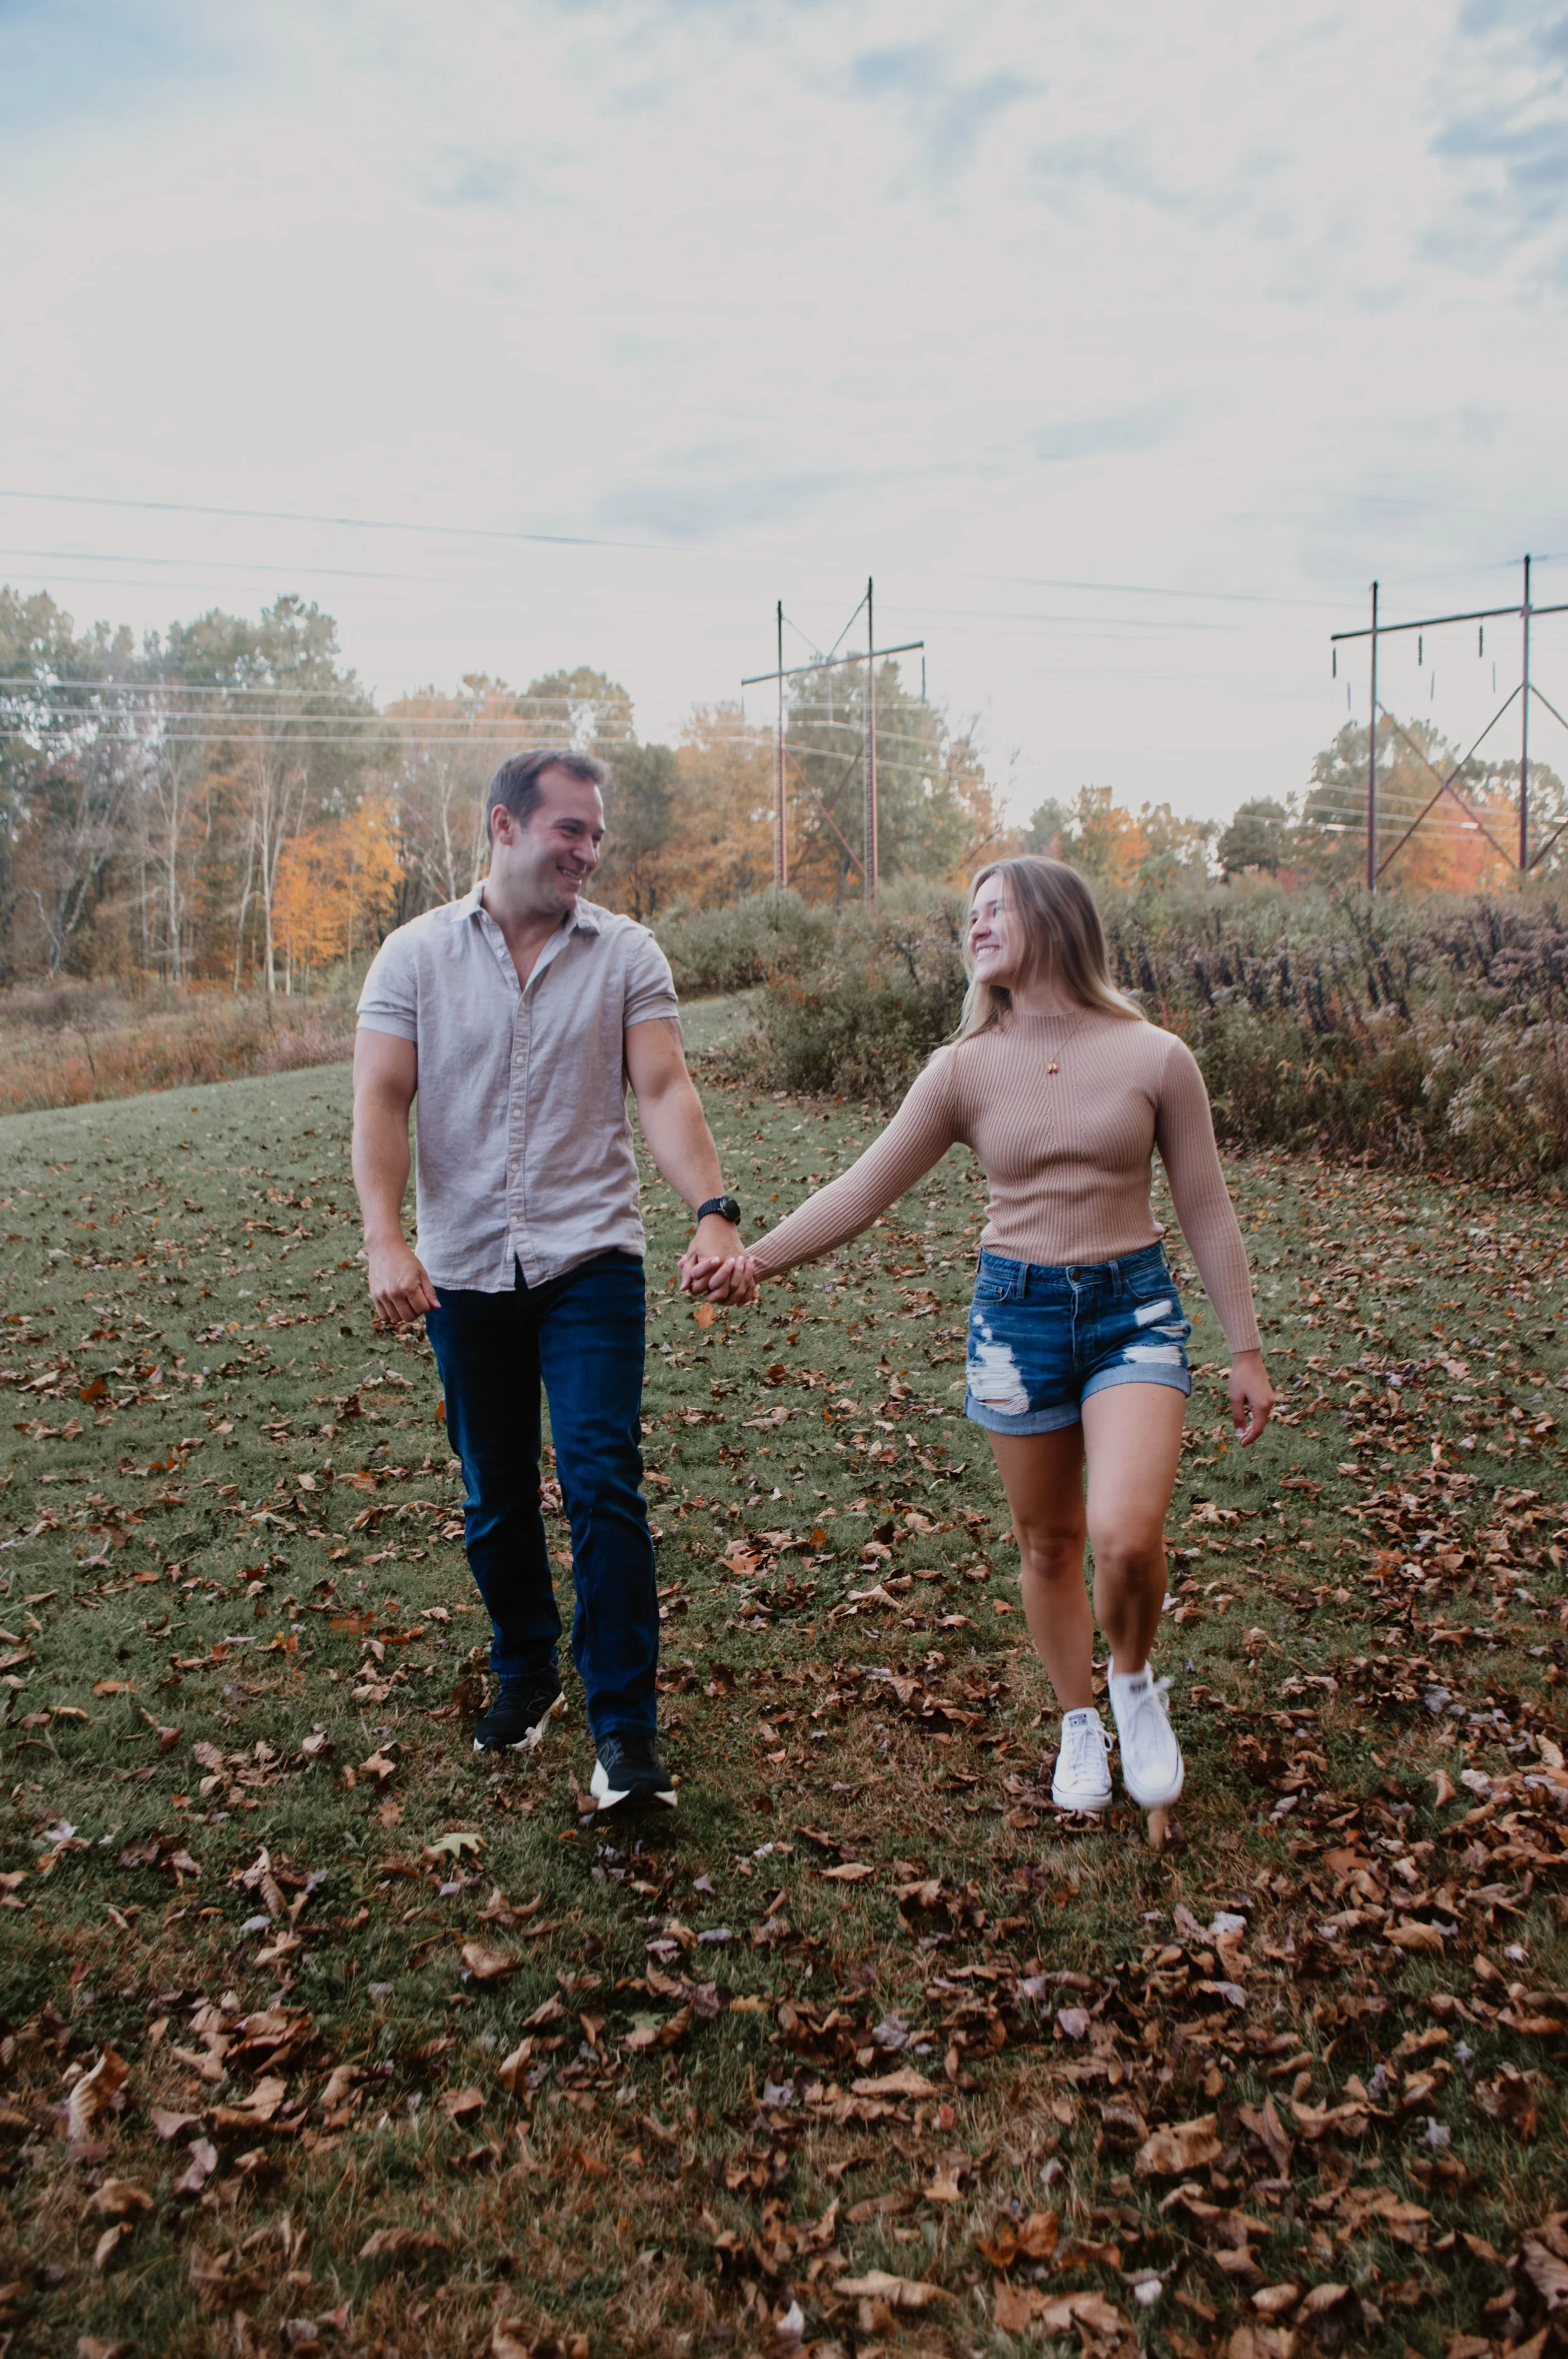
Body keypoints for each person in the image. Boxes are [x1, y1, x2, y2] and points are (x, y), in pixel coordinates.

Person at [686, 856, 1273, 1816]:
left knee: (1126, 1538)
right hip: (1017, 1321)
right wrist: (758, 1259)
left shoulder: (1156, 1056)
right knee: (1048, 1544)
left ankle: (1132, 1681)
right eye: (971, 913)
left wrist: (1244, 1348)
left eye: (997, 908)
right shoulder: (960, 1069)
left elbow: (1206, 1207)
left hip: (1134, 1311)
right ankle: (1079, 1718)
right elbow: (865, 1187)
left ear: (1056, 918)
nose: (977, 924)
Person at [351, 747, 747, 1813]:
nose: (588, 850)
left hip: (591, 1259)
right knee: (493, 1491)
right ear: (505, 827)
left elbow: (662, 1087)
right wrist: (387, 1241)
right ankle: (526, 1665)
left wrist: (712, 1209)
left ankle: (625, 1734)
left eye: (596, 834)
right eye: (570, 828)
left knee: (602, 1478)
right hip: (465, 1267)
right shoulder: (413, 956)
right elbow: (383, 1102)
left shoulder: (626, 954)